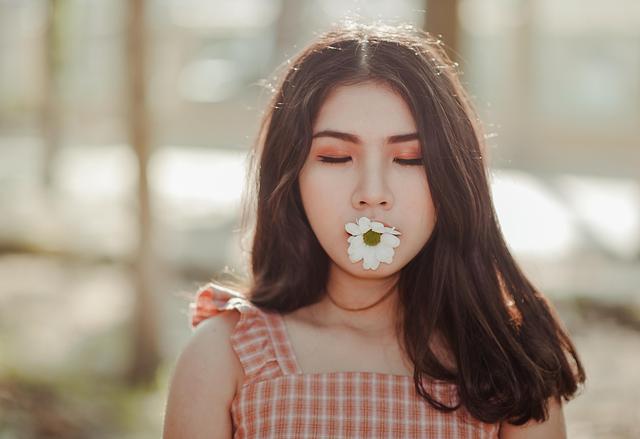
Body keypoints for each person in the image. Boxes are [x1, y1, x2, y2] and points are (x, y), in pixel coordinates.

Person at [162, 21, 585, 439]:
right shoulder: (225, 357)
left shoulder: (507, 360)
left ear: (453, 179)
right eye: (335, 157)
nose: (372, 194)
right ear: (291, 178)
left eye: (409, 159)